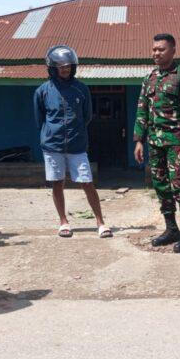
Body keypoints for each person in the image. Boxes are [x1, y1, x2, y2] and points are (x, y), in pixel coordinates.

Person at [34, 45, 112, 239]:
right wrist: (53, 132)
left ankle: (100, 223)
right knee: (57, 183)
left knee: (87, 182)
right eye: (61, 66)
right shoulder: (42, 91)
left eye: (68, 66)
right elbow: (40, 119)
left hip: (77, 145)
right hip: (53, 146)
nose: (65, 69)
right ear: (52, 68)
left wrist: (75, 131)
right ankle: (63, 222)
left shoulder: (81, 89)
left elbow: (87, 116)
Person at [133, 33, 180, 253]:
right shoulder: (149, 78)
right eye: (154, 49)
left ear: (173, 50)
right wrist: (138, 140)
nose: (156, 53)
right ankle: (171, 229)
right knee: (160, 185)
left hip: (176, 142)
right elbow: (142, 110)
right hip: (154, 141)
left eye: (161, 49)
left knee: (179, 185)